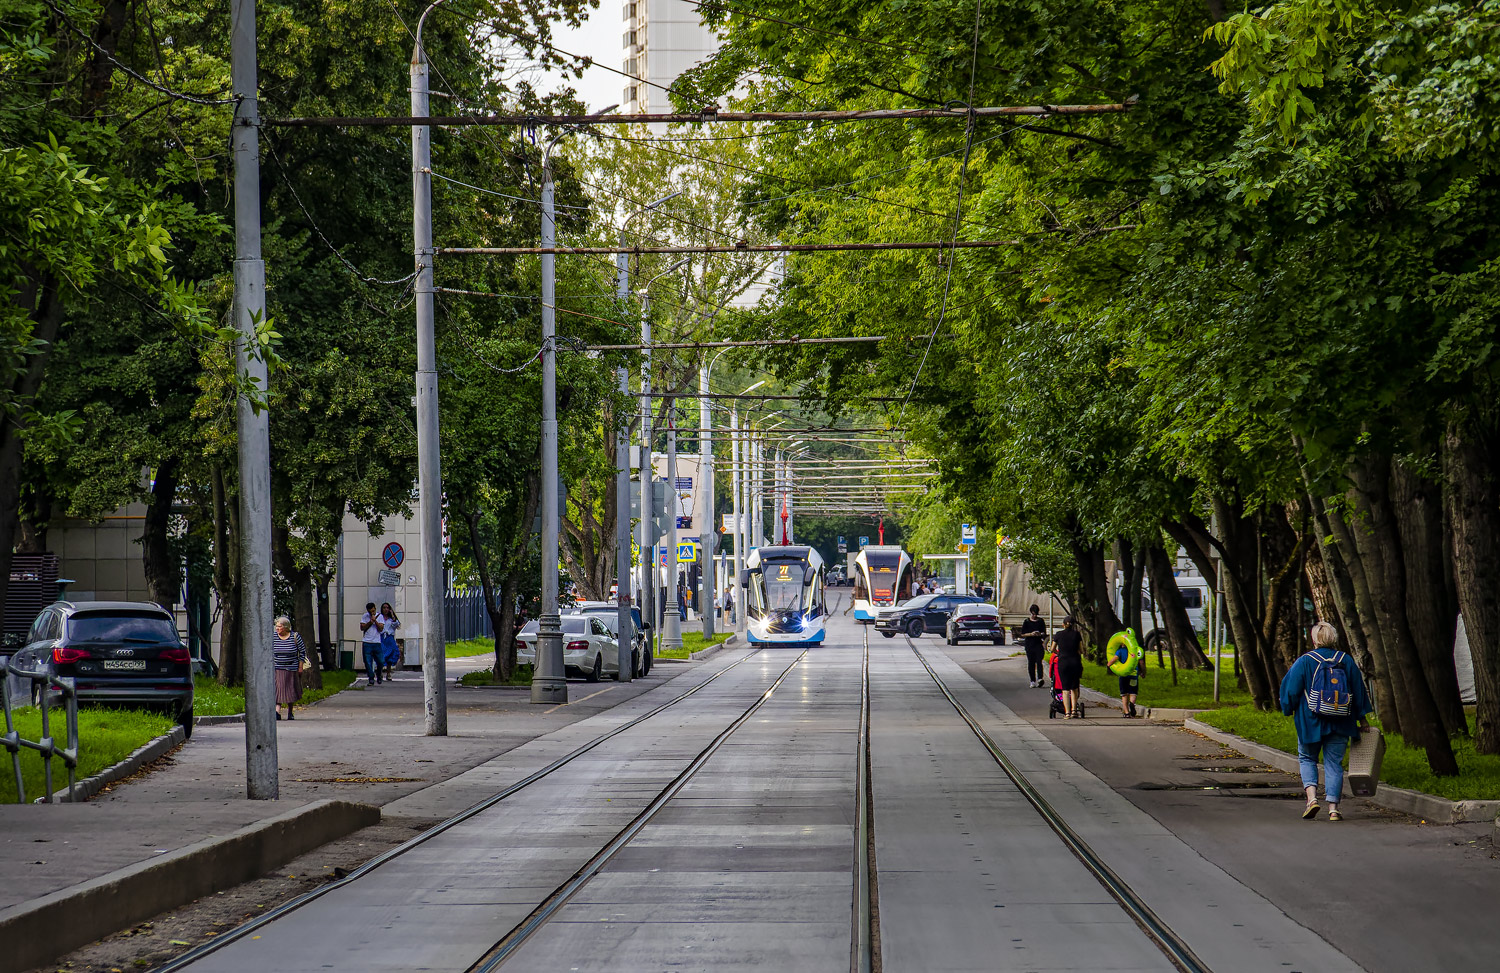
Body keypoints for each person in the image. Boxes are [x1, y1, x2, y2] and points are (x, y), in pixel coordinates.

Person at [1279, 621, 1374, 821]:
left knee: (1307, 758)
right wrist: (1362, 719)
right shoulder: (1345, 660)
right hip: (1341, 721)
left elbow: (1291, 690)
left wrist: (1287, 708)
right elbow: (1358, 691)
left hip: (1310, 721)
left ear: (1314, 640)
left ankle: (1312, 799)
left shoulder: (1305, 661)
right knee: (1334, 764)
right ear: (1333, 638)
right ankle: (1333, 808)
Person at [272, 615, 306, 720]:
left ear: (286, 627)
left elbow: (302, 652)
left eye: (279, 626)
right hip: (277, 668)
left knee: (290, 690)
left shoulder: (295, 636)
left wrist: (300, 667)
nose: (277, 628)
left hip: (291, 668)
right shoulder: (273, 636)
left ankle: (290, 712)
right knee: (278, 689)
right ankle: (277, 711)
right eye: (276, 626)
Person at [1051, 615, 1084, 718]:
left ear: (1063, 625)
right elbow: (1081, 650)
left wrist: (1059, 653)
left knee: (1065, 689)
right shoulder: (1077, 634)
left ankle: (1067, 713)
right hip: (1075, 662)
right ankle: (1074, 711)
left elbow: (1052, 649)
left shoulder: (1058, 634)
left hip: (1063, 663)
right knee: (1074, 688)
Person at [1019, 605, 1047, 688]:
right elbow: (1022, 634)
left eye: (1036, 614)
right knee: (1031, 662)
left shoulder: (1041, 621)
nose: (1035, 616)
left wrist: (1040, 634)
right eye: (1033, 614)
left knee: (1039, 661)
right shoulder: (1027, 621)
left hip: (1038, 644)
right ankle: (1032, 680)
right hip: (1029, 644)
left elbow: (1044, 633)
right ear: (1031, 612)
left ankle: (1040, 678)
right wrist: (1031, 634)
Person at [360, 601, 384, 686]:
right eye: (370, 611)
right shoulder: (365, 616)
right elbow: (362, 627)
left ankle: (379, 674)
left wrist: (375, 621)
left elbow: (381, 628)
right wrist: (370, 622)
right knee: (367, 662)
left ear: (375, 609)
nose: (372, 613)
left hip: (376, 642)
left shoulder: (380, 616)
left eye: (373, 611)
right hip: (367, 642)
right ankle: (371, 678)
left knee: (381, 661)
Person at [379, 603, 401, 681]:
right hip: (382, 638)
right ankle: (380, 672)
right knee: (382, 655)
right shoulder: (380, 617)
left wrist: (392, 615)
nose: (386, 609)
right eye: (384, 608)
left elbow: (397, 625)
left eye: (387, 608)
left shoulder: (391, 619)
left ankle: (388, 673)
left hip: (390, 638)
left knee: (391, 655)